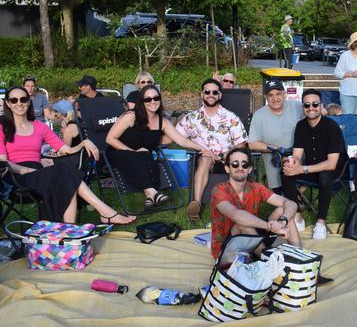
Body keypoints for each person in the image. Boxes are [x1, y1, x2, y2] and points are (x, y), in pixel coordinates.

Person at [0, 86, 135, 224]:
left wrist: (84, 143)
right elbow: (3, 162)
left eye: (23, 99)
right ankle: (103, 213)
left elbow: (66, 149)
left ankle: (71, 229)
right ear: (9, 104)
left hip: (40, 174)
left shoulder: (40, 127)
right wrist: (28, 170)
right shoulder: (2, 127)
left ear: (29, 101)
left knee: (65, 175)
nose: (19, 103)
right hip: (16, 178)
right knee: (65, 172)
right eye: (14, 100)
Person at [106, 85, 217, 209]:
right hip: (119, 153)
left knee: (146, 158)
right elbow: (110, 139)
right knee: (140, 157)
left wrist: (203, 149)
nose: (152, 102)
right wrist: (133, 151)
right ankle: (153, 193)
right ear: (141, 102)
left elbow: (181, 140)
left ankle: (150, 198)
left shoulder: (162, 121)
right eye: (147, 99)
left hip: (144, 157)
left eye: (156, 98)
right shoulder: (131, 116)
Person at [176, 78, 248, 221]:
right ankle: (195, 203)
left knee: (237, 161)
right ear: (202, 94)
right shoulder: (192, 118)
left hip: (227, 158)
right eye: (207, 92)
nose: (211, 95)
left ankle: (239, 206)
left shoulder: (230, 117)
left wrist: (223, 155)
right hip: (204, 160)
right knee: (205, 159)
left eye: (215, 92)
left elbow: (242, 144)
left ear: (220, 95)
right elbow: (175, 136)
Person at [210, 148, 301, 259]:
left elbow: (291, 204)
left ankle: (300, 257)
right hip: (228, 249)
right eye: (235, 164)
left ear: (249, 169)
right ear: (227, 168)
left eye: (245, 164)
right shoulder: (219, 190)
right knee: (242, 223)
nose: (240, 168)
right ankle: (268, 262)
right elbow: (236, 215)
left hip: (253, 240)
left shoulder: (256, 187)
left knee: (284, 211)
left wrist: (282, 222)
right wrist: (269, 226)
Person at [281, 89, 348, 240]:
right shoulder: (301, 126)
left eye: (315, 104)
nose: (311, 108)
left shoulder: (331, 127)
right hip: (312, 167)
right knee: (286, 171)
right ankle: (297, 215)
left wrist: (302, 168)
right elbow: (297, 155)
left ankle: (321, 222)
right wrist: (293, 164)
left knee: (324, 176)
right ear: (303, 107)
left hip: (335, 170)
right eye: (307, 105)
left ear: (321, 106)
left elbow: (331, 164)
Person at [248, 80, 304, 195]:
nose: (275, 98)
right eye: (270, 95)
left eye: (278, 94)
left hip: (301, 155)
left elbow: (315, 114)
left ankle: (298, 194)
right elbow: (252, 144)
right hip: (276, 159)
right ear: (265, 97)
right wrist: (278, 149)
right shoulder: (259, 115)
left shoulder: (297, 106)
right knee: (282, 195)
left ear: (284, 94)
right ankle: (293, 199)